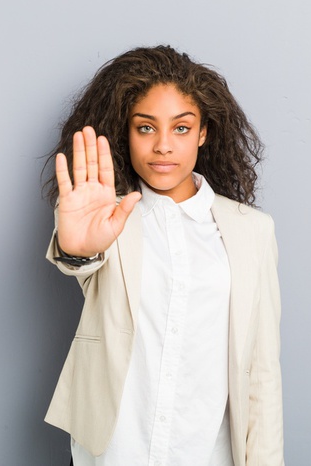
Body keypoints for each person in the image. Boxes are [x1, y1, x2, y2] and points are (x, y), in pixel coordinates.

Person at [43, 45, 284, 466]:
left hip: (206, 454)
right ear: (126, 132)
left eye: (181, 128)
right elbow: (81, 263)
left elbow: (261, 370)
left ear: (203, 133)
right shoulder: (108, 217)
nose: (163, 147)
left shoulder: (252, 230)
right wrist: (76, 251)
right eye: (146, 128)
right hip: (113, 454)